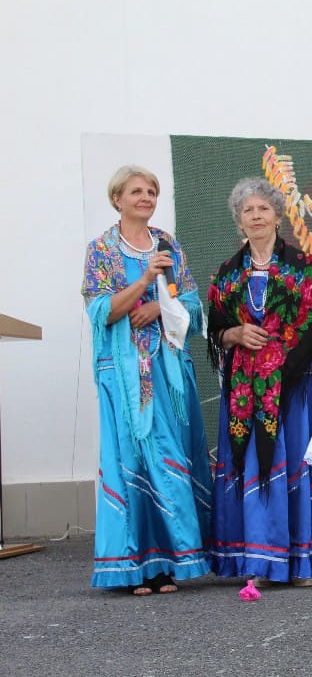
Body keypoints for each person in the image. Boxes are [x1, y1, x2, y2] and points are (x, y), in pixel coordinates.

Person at [207, 177, 312, 586]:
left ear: (277, 216)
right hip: (245, 393)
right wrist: (234, 334)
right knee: (253, 466)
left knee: (294, 467)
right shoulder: (227, 275)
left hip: (298, 387)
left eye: (263, 209)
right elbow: (216, 330)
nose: (256, 216)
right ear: (239, 220)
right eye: (248, 210)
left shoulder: (302, 267)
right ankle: (258, 559)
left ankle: (301, 561)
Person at [82, 165, 211, 595]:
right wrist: (142, 283)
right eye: (136, 191)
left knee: (170, 457)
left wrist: (158, 308)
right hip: (122, 373)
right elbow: (102, 311)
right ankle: (133, 566)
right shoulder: (100, 249)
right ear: (116, 198)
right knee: (131, 459)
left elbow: (188, 301)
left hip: (167, 368)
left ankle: (169, 561)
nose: (146, 197)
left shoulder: (168, 245)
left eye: (152, 191)